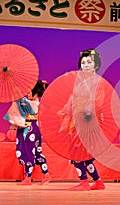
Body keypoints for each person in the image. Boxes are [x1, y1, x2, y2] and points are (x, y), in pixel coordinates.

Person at [59, 48, 105, 191]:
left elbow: (99, 101)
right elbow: (72, 99)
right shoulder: (79, 82)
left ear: (96, 65)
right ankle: (98, 181)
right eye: (83, 62)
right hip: (77, 121)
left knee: (77, 152)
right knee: (82, 153)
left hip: (89, 121)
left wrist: (88, 111)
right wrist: (66, 109)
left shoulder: (98, 82)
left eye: (89, 62)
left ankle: (84, 182)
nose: (85, 65)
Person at [3, 80, 52, 185]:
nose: (28, 93)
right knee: (37, 153)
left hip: (29, 130)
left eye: (30, 91)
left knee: (28, 152)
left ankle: (28, 178)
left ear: (37, 93)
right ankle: (46, 175)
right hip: (34, 129)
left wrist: (11, 82)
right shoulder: (35, 103)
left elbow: (18, 98)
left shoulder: (33, 103)